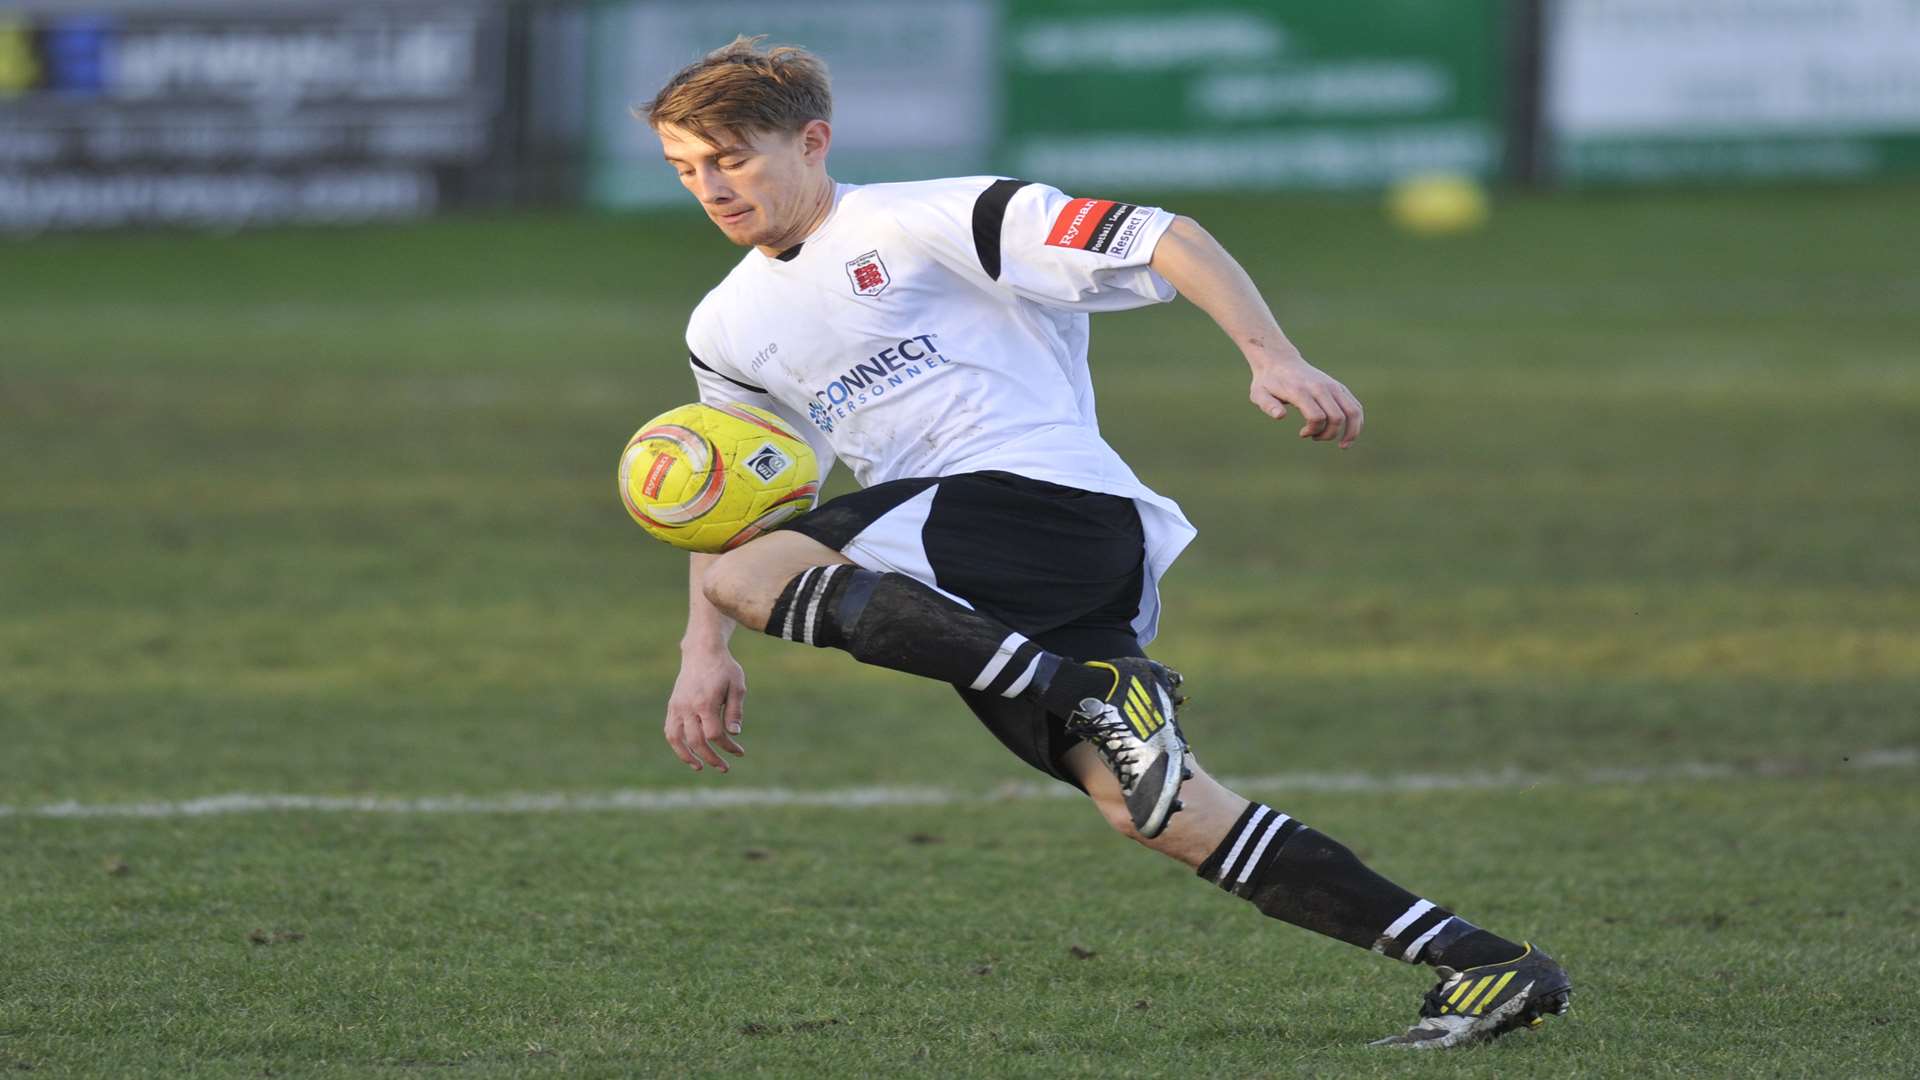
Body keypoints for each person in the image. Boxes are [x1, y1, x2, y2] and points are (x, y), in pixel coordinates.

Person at [646, 36, 1571, 1049]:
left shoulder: (926, 218)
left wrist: (1272, 357)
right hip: (962, 572)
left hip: (1042, 499)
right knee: (1159, 814)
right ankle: (1483, 964)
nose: (711, 186)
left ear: (812, 140)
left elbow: (1165, 234)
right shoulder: (726, 325)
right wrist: (704, 654)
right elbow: (738, 498)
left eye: (731, 157)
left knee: (755, 578)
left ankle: (1084, 689)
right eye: (687, 168)